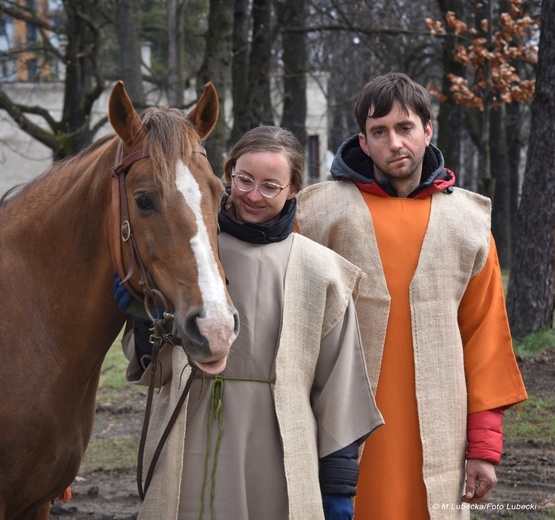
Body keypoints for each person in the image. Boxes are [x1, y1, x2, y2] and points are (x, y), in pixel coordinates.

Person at [115, 126, 383, 520]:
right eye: (244, 180)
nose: (253, 195)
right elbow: (154, 370)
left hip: (281, 449)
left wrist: (338, 488)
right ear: (228, 174)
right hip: (190, 437)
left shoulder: (320, 270)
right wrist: (142, 318)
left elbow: (339, 390)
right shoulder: (192, 254)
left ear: (293, 189)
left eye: (270, 186)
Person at [296, 72, 528, 519]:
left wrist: (483, 447)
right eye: (378, 132)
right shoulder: (318, 214)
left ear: (427, 131)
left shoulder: (467, 224)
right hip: (339, 430)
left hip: (439, 434)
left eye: (405, 128)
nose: (394, 143)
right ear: (363, 142)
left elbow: (486, 340)